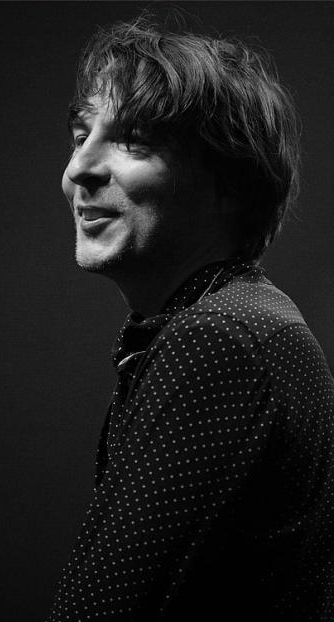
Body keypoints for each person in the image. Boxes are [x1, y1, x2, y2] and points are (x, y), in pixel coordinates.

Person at [50, 19, 334, 620]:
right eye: (81, 134)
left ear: (228, 182)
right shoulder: (237, 322)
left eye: (133, 141)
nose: (80, 168)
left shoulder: (222, 341)